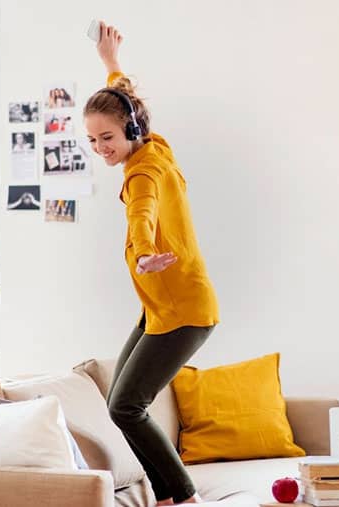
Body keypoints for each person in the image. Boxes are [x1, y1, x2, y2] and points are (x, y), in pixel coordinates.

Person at [83, 21, 219, 507]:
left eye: (108, 138)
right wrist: (110, 62)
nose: (101, 149)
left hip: (182, 310)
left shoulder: (144, 174)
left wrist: (142, 256)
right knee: (119, 401)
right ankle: (168, 495)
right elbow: (124, 94)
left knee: (126, 405)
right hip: (163, 306)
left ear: (131, 131)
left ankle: (182, 497)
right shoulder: (153, 142)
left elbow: (142, 218)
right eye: (94, 140)